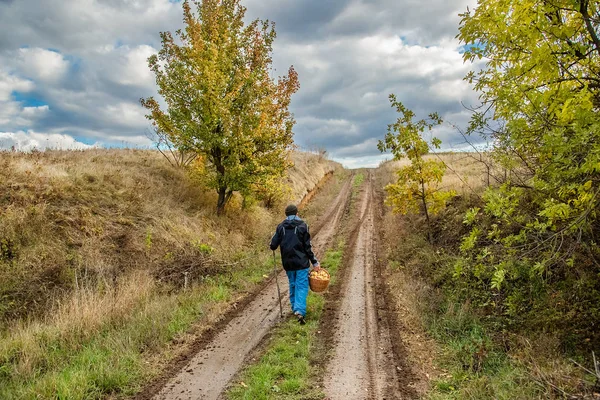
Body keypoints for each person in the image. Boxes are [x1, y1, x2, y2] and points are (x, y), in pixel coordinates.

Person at [270, 204, 320, 325]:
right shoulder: (303, 226)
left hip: (288, 263)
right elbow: (307, 247)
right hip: (302, 262)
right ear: (297, 213)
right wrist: (314, 262)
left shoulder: (280, 227)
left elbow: (273, 245)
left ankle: (294, 308)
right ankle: (300, 311)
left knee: (293, 284)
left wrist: (273, 243)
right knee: (301, 285)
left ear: (286, 214)